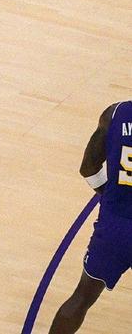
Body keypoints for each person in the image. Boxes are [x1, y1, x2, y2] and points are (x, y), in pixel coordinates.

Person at [49, 100, 132, 332]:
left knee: (82, 297)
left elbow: (88, 168)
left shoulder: (115, 113)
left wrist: (108, 195)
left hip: (113, 227)